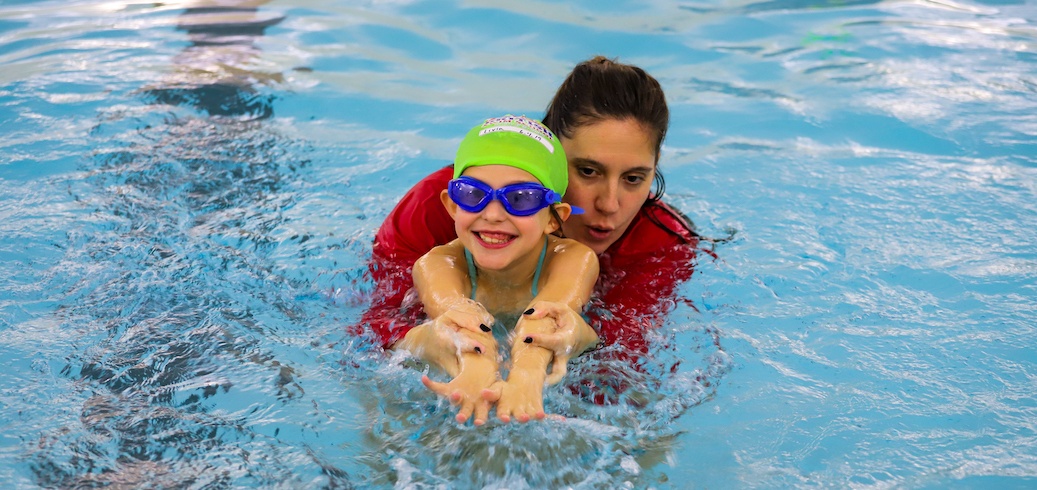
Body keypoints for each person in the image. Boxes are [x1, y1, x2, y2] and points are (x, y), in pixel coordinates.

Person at [354, 55, 704, 413]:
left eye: (634, 178)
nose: (610, 204)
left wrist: (543, 358)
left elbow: (623, 364)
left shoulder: (661, 243)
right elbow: (373, 325)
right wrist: (425, 342)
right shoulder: (440, 209)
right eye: (587, 171)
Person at [397, 115, 599, 426]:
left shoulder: (573, 258)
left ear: (553, 218)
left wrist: (528, 375)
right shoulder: (437, 264)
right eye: (472, 194)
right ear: (452, 206)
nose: (492, 215)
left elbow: (550, 316)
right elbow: (459, 319)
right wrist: (477, 368)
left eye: (521, 199)